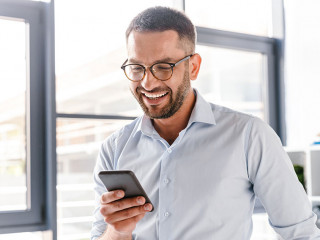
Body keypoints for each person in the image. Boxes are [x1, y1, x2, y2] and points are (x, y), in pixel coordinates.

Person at [91, 6, 320, 240]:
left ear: (193, 67)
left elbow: (301, 233)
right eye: (137, 68)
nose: (148, 83)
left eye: (163, 67)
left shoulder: (249, 136)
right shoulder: (114, 149)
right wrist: (118, 232)